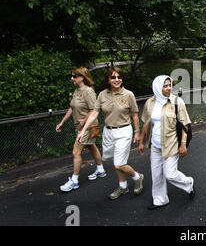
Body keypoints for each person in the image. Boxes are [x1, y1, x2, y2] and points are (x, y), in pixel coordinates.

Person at [77, 67, 144, 200]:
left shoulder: (128, 94)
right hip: (108, 132)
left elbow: (135, 115)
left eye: (119, 77)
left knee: (118, 164)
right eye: (113, 77)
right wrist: (82, 131)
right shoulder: (102, 95)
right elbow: (94, 113)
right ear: (108, 80)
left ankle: (138, 177)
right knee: (116, 161)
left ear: (122, 79)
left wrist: (137, 132)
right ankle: (123, 187)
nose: (116, 80)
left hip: (124, 131)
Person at [139, 75, 195, 210]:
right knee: (156, 173)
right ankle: (160, 199)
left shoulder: (177, 102)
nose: (169, 88)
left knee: (170, 174)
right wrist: (141, 142)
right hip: (155, 145)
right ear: (157, 87)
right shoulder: (150, 103)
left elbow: (185, 125)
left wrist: (183, 144)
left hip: (171, 144)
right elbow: (146, 124)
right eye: (165, 86)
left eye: (170, 85)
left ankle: (188, 183)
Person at [56, 67, 106, 192]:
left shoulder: (88, 91)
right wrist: (62, 122)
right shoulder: (77, 90)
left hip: (88, 127)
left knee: (75, 152)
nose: (72, 78)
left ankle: (74, 181)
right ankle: (101, 170)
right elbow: (72, 108)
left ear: (82, 77)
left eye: (74, 76)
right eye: (72, 76)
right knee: (91, 147)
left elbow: (93, 110)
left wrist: (83, 123)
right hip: (80, 127)